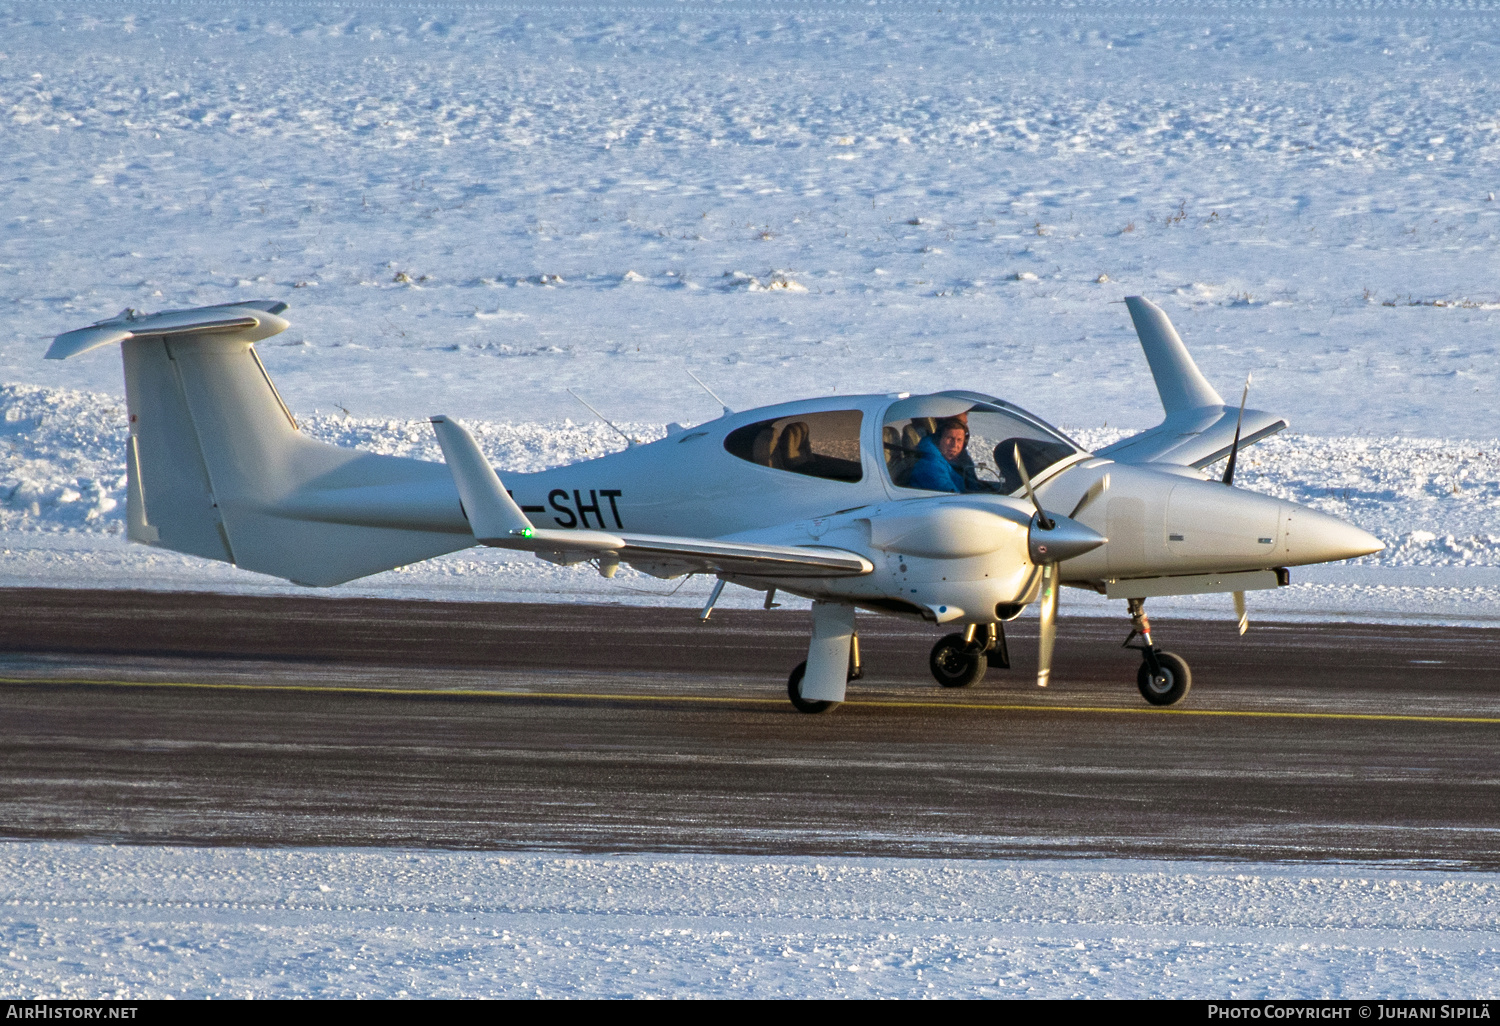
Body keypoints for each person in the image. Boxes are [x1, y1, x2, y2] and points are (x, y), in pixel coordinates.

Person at [907, 417, 970, 492]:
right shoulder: (931, 466)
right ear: (939, 439)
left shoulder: (950, 463)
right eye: (950, 438)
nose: (954, 445)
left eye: (959, 440)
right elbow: (954, 498)